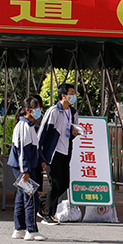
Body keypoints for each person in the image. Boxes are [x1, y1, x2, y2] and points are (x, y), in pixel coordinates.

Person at [38, 83, 80, 224]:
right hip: (53, 152)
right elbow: (44, 132)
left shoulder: (73, 112)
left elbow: (73, 129)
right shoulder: (54, 111)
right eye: (71, 93)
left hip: (66, 151)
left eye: (74, 93)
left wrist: (75, 133)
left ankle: (41, 202)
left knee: (64, 183)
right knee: (55, 183)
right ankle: (48, 215)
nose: (74, 96)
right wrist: (41, 154)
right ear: (63, 96)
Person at [9, 96, 46, 241]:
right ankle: (31, 230)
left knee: (21, 197)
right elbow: (22, 151)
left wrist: (41, 160)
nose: (39, 111)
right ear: (28, 110)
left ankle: (19, 229)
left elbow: (35, 147)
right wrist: (25, 170)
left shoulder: (29, 125)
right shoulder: (23, 126)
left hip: (26, 165)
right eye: (36, 108)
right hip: (23, 167)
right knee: (30, 197)